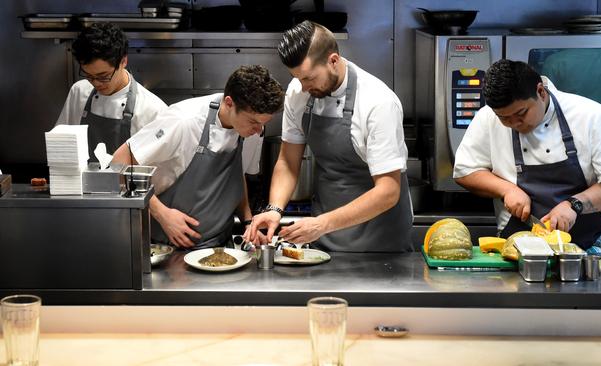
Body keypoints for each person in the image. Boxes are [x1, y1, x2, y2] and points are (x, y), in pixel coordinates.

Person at [245, 21, 413, 252]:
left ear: (333, 60)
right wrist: (274, 209)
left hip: (380, 242)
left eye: (309, 78)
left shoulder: (378, 102)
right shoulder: (299, 92)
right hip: (325, 240)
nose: (302, 87)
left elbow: (388, 191)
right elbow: (288, 161)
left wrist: (323, 224)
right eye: (298, 78)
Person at [453, 59, 601, 251]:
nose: (514, 123)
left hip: (586, 252)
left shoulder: (592, 115)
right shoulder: (487, 118)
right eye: (504, 118)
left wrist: (574, 205)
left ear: (541, 92)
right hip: (517, 250)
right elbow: (465, 171)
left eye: (521, 113)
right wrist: (506, 189)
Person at [112, 65, 285, 249]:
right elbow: (119, 161)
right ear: (229, 103)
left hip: (220, 248)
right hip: (168, 249)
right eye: (253, 122)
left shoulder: (252, 131)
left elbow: (236, 177)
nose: (259, 130)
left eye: (263, 124)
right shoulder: (184, 121)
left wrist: (248, 223)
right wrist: (162, 214)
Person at [56, 23, 167, 160]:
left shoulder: (152, 109)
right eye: (89, 75)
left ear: (123, 61)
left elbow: (157, 166)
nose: (96, 83)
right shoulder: (79, 92)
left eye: (103, 76)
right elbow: (61, 145)